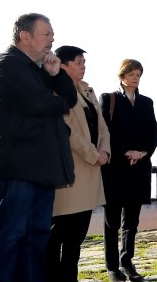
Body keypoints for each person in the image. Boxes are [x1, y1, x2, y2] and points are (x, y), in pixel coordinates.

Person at [0, 13, 76, 282]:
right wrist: (57, 101)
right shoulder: (4, 65)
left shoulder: (40, 71)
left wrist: (56, 76)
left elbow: (69, 98)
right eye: (47, 34)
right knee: (6, 238)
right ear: (25, 36)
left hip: (42, 169)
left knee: (36, 240)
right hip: (15, 169)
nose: (53, 39)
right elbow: (39, 104)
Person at [46, 46, 112, 282]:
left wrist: (104, 150)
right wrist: (92, 153)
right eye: (78, 62)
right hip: (71, 170)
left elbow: (102, 125)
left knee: (77, 235)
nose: (83, 65)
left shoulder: (87, 89)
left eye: (84, 61)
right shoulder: (56, 91)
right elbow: (67, 130)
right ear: (63, 65)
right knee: (59, 233)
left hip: (92, 168)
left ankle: (70, 277)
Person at [100, 59, 157, 282]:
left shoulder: (146, 102)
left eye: (139, 74)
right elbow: (105, 130)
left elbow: (153, 132)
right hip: (116, 167)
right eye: (132, 73)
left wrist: (143, 153)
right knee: (112, 221)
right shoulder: (109, 99)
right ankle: (112, 266)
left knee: (131, 222)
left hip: (139, 167)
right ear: (122, 75)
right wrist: (127, 151)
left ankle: (127, 262)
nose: (136, 77)